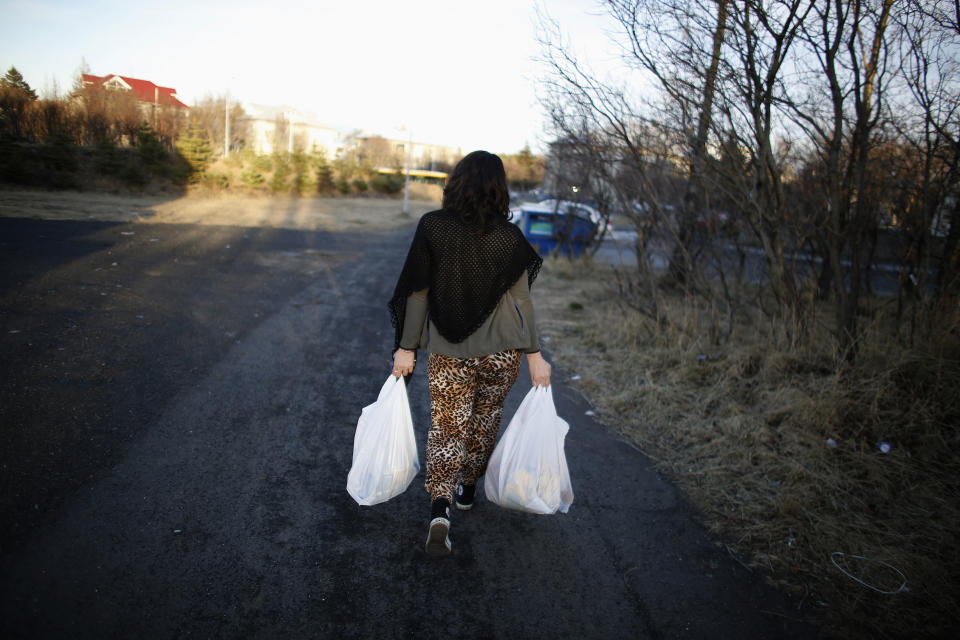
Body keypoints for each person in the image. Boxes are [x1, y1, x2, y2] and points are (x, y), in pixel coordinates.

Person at [388, 150, 552, 557]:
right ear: (499, 187)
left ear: (456, 182)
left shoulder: (433, 227)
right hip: (503, 354)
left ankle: (440, 508)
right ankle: (467, 489)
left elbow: (419, 291)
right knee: (484, 420)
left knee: (447, 427)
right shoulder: (510, 237)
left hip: (450, 351)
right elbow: (523, 303)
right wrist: (534, 354)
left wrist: (406, 348)